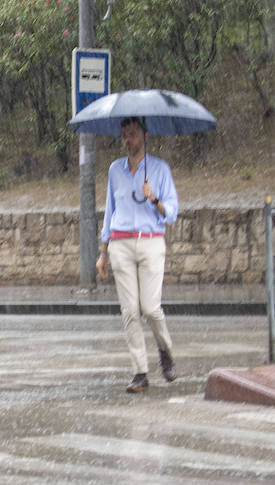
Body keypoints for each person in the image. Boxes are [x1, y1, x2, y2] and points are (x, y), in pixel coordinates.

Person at [97, 116, 179, 394]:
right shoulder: (114, 170)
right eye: (124, 135)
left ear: (144, 135)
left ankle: (165, 350)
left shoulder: (160, 169)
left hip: (150, 242)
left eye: (132, 134)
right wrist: (103, 251)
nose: (127, 140)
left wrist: (153, 198)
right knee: (130, 312)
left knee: (150, 308)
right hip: (120, 244)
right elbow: (110, 210)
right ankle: (140, 372)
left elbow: (172, 213)